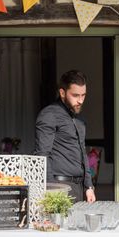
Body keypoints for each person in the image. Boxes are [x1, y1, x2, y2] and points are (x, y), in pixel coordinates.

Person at [34, 70, 96, 203]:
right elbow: (42, 155)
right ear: (62, 93)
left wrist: (88, 186)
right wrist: (51, 190)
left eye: (83, 95)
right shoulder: (49, 115)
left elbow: (82, 152)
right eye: (75, 95)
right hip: (59, 187)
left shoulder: (78, 118)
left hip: (78, 188)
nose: (80, 100)